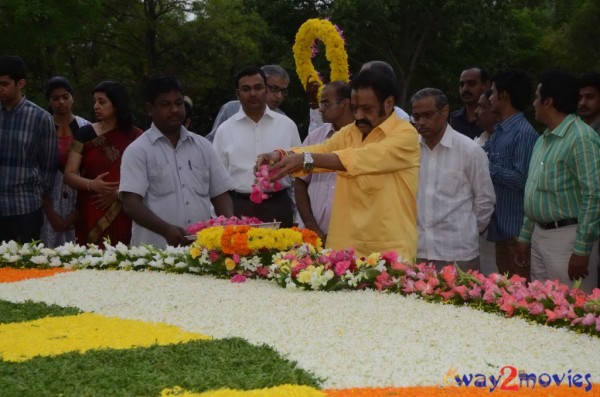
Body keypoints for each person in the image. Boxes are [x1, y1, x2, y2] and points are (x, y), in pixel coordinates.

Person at [257, 66, 420, 259]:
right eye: (354, 108)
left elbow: (361, 158)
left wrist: (304, 160)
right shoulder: (351, 131)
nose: (358, 116)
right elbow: (320, 149)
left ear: (389, 103)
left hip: (390, 251)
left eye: (367, 109)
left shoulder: (406, 135)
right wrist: (282, 155)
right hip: (344, 248)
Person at [120, 77, 234, 248]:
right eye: (165, 104)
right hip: (155, 253)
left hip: (202, 249)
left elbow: (220, 194)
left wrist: (229, 226)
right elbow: (130, 204)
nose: (174, 110)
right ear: (150, 109)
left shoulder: (203, 146)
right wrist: (165, 230)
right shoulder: (137, 151)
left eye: (178, 103)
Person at [515, 70, 600, 293]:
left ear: (549, 101)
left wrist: (582, 249)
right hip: (539, 237)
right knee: (542, 309)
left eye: (536, 97)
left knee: (574, 312)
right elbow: (533, 191)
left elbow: (594, 195)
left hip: (568, 240)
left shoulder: (582, 137)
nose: (533, 103)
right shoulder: (543, 139)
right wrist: (525, 236)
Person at [411, 88, 495, 272]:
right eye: (416, 117)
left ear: (445, 112)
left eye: (427, 115)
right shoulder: (409, 150)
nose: (421, 122)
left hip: (458, 254)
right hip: (417, 251)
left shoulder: (470, 150)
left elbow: (485, 200)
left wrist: (468, 231)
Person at [213, 66, 301, 227]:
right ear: (237, 93)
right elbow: (217, 183)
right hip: (239, 208)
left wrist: (299, 218)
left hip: (279, 205)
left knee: (285, 253)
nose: (253, 94)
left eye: (258, 87)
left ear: (266, 90)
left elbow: (299, 177)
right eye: (246, 89)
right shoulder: (224, 130)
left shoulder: (287, 125)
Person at [64, 81, 142, 246]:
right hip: (91, 206)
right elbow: (69, 174)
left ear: (117, 103)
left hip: (124, 207)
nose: (96, 106)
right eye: (95, 101)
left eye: (102, 101)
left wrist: (119, 193)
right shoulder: (86, 133)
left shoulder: (135, 136)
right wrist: (92, 185)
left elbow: (144, 176)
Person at [485, 69, 539, 279]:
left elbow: (522, 179)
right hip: (501, 227)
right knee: (506, 293)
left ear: (504, 95)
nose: (489, 98)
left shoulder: (524, 133)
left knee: (521, 294)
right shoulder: (500, 130)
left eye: (492, 92)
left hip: (517, 230)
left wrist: (487, 167)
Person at [0, 56, 57, 244]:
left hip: (24, 208)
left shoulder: (41, 118)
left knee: (22, 269)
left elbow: (48, 166)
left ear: (20, 83)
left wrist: (38, 195)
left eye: (4, 84)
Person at [295, 81, 354, 242]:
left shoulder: (363, 139)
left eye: (326, 103)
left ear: (345, 103)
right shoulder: (315, 138)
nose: (320, 108)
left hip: (352, 238)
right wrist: (311, 226)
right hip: (312, 236)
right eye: (321, 103)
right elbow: (300, 183)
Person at [40, 76, 90, 247]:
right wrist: (48, 210)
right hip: (48, 197)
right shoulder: (41, 127)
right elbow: (35, 169)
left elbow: (91, 169)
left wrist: (76, 213)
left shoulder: (86, 128)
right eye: (55, 98)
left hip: (79, 196)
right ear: (49, 101)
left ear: (72, 97)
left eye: (65, 97)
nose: (61, 102)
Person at [205, 65, 289, 142]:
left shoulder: (285, 122)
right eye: (274, 89)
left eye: (283, 91)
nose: (279, 96)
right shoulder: (231, 109)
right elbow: (211, 143)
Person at [449, 67, 491, 139]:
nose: (465, 89)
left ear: (486, 85)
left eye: (471, 84)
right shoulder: (451, 120)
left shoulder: (492, 120)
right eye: (462, 85)